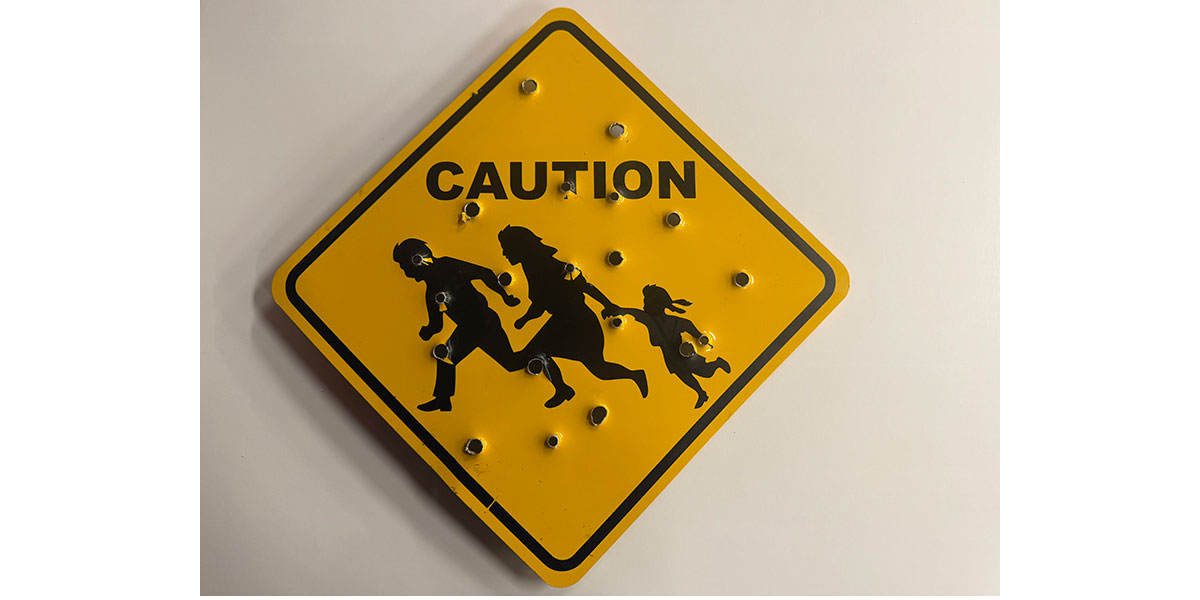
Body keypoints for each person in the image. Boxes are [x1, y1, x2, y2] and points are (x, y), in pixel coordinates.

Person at [497, 225, 649, 408]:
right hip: (564, 321)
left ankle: (632, 375)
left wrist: (608, 305)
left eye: (507, 248)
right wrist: (525, 319)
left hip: (578, 321)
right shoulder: (532, 268)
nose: (504, 253)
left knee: (597, 368)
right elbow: (541, 303)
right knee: (586, 364)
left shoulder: (548, 265)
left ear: (521, 247)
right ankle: (563, 388)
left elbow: (582, 286)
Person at [392, 238, 522, 412]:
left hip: (480, 320)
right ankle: (443, 401)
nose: (406, 272)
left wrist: (505, 297)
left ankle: (443, 400)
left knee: (448, 355)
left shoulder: (448, 265)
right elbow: (437, 325)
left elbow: (484, 273)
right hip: (479, 324)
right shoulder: (431, 291)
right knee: (511, 363)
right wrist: (427, 331)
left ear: (417, 259)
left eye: (405, 266)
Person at [608, 284, 731, 408]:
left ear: (656, 305)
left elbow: (687, 325)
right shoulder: (650, 321)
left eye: (647, 302)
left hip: (685, 355)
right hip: (671, 359)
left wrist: (699, 336)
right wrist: (621, 311)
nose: (644, 305)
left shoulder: (673, 322)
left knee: (706, 373)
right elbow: (636, 313)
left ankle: (717, 363)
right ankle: (701, 394)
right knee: (685, 377)